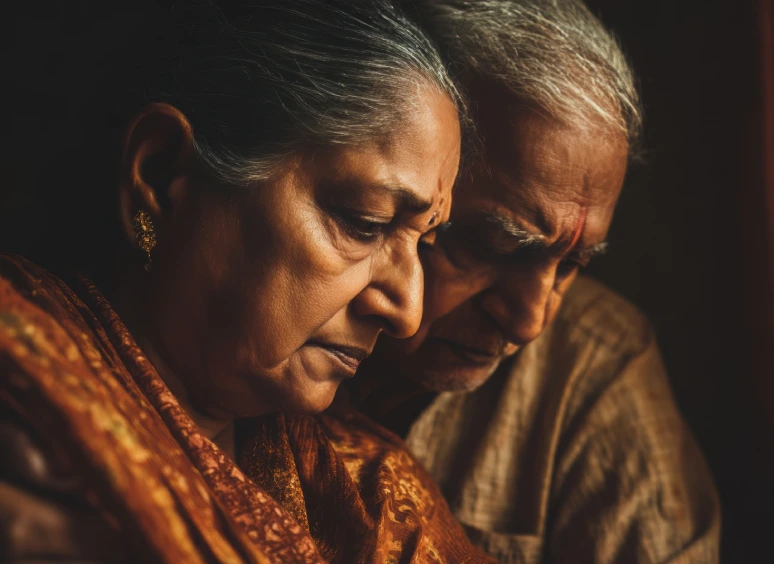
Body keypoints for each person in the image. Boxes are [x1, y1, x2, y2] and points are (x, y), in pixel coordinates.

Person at [0, 1, 491, 562]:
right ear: (161, 178)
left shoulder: (372, 493)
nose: (407, 310)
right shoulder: (27, 409)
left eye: (425, 242)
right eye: (366, 223)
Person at [350, 1, 721, 562]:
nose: (529, 322)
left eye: (570, 266)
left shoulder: (600, 370)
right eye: (489, 246)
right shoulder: (260, 328)